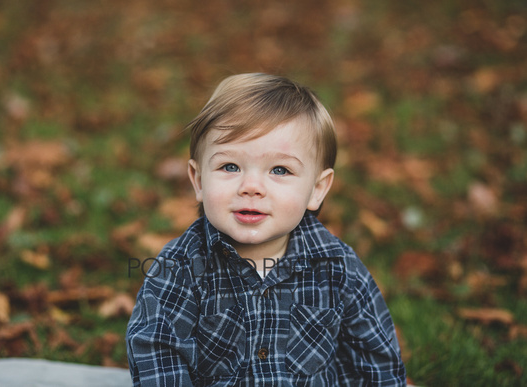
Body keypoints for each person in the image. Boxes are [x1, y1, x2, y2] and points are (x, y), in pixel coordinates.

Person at [126, 73, 406, 386]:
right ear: (199, 180)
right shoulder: (179, 269)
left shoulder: (338, 268)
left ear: (317, 189)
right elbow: (156, 354)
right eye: (230, 167)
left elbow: (375, 360)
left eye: (280, 170)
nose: (251, 187)